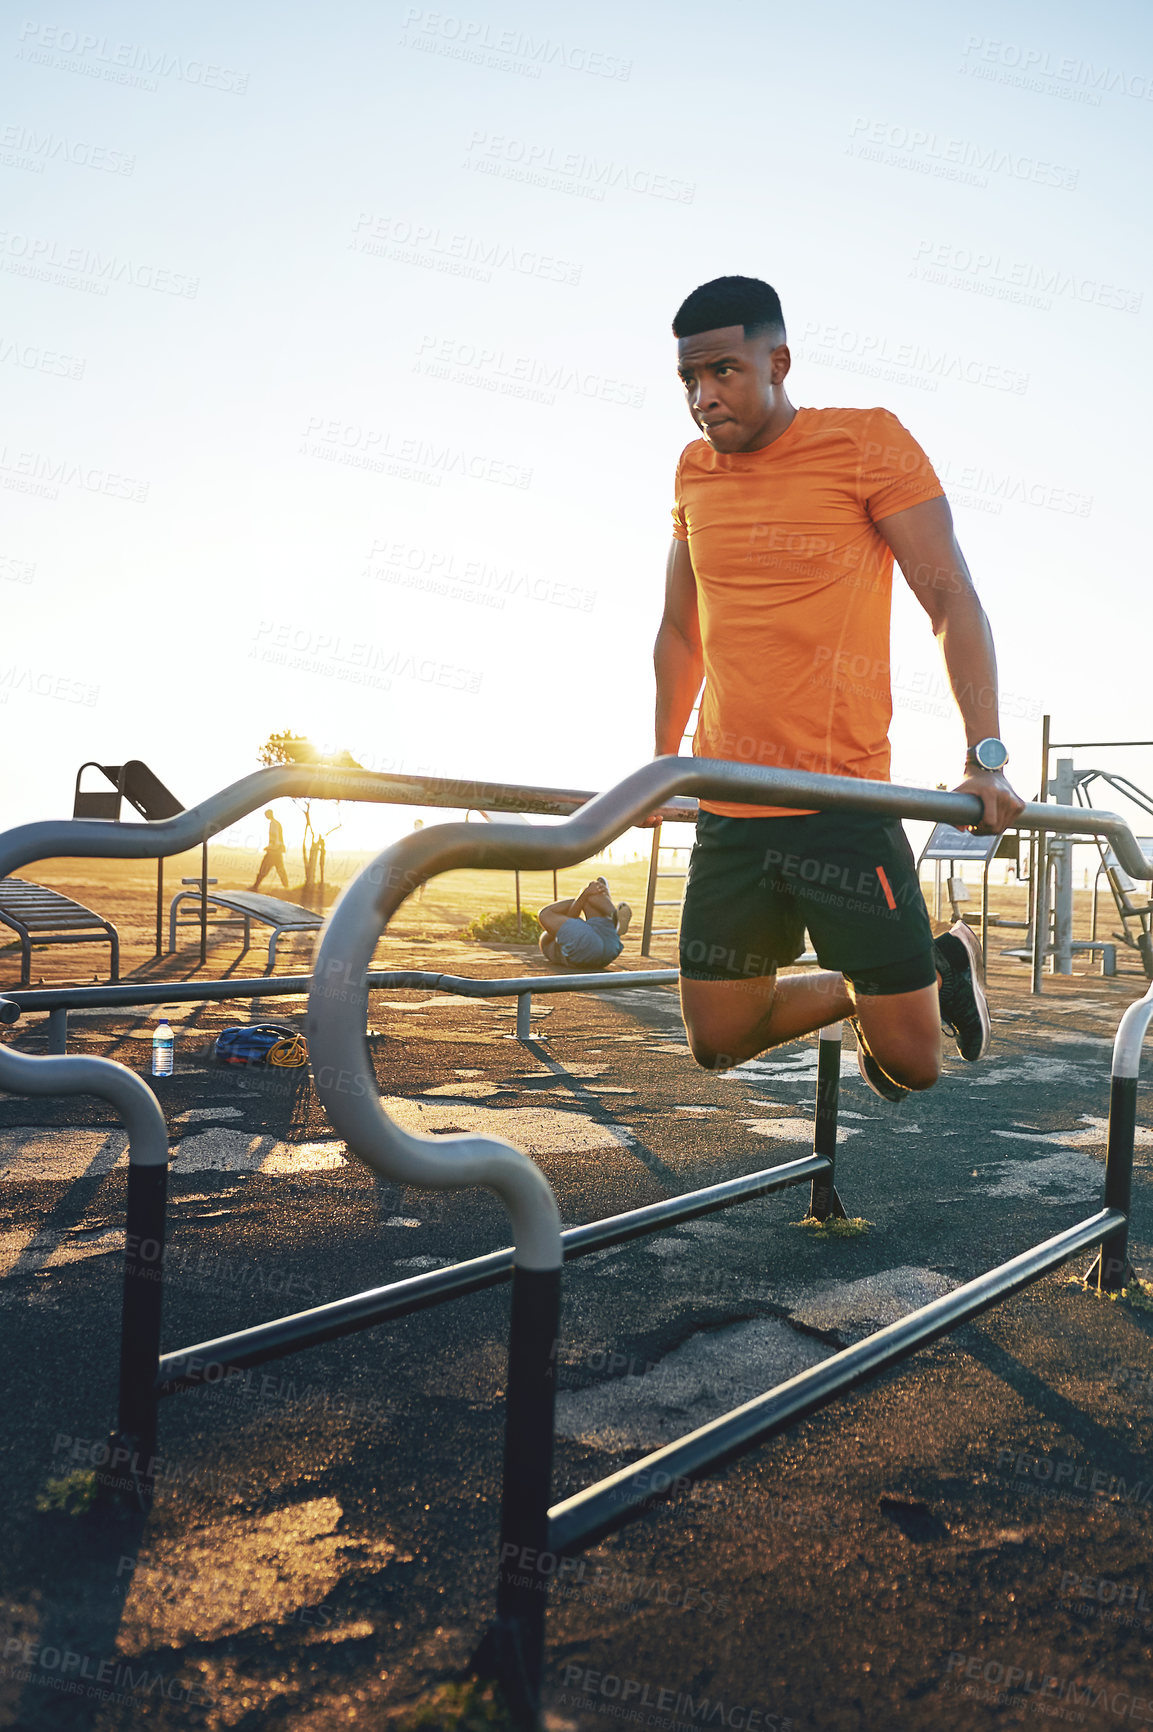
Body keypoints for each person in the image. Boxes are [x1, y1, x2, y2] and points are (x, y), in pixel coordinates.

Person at [655, 275, 1027, 1101]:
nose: (701, 396)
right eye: (687, 378)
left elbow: (950, 600)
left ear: (776, 361)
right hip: (729, 797)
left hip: (842, 807)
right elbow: (683, 629)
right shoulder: (691, 472)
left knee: (913, 1065)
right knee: (716, 1038)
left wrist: (985, 756)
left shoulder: (867, 443)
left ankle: (922, 975)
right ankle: (924, 964)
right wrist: (662, 764)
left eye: (721, 371)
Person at [538, 878, 632, 971]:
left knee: (588, 897)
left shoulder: (565, 932)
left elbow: (571, 915)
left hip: (590, 949)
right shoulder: (547, 939)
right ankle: (613, 914)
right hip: (609, 947)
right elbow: (571, 916)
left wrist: (584, 895)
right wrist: (585, 894)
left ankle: (615, 917)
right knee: (544, 914)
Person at [251, 809, 288, 890]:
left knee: (263, 869)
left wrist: (269, 847)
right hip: (278, 851)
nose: (266, 816)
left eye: (266, 815)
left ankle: (255, 887)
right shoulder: (277, 823)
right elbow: (280, 838)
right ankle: (286, 887)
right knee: (281, 870)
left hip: (273, 852)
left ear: (269, 814)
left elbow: (274, 837)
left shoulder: (273, 824)